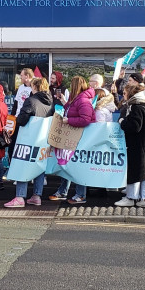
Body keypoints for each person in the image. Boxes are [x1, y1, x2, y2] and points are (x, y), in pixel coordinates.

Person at [4, 77, 54, 208]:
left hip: (28, 139)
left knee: (22, 164)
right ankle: (37, 196)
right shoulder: (50, 103)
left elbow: (22, 120)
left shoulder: (31, 101)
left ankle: (20, 197)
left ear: (35, 87)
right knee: (39, 165)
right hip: (43, 140)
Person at [51, 76, 94, 204]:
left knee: (76, 165)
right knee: (67, 163)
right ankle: (65, 191)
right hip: (73, 136)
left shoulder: (83, 100)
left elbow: (85, 119)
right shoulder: (78, 99)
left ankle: (80, 194)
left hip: (79, 137)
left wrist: (68, 120)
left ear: (75, 86)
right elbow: (73, 111)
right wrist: (64, 102)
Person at [116, 83, 145, 208]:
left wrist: (122, 121)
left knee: (134, 171)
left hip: (137, 145)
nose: (123, 96)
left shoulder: (136, 107)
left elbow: (134, 127)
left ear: (131, 94)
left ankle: (131, 197)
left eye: (124, 93)